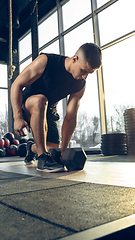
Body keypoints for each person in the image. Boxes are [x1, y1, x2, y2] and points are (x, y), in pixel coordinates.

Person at [11, 43, 102, 172]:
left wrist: (63, 152)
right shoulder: (46, 61)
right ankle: (42, 159)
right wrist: (17, 117)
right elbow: (16, 84)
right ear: (75, 58)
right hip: (27, 104)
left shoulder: (80, 85)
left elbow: (70, 117)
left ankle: (32, 148)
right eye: (83, 70)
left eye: (89, 73)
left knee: (53, 150)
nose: (84, 76)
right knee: (40, 100)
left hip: (48, 110)